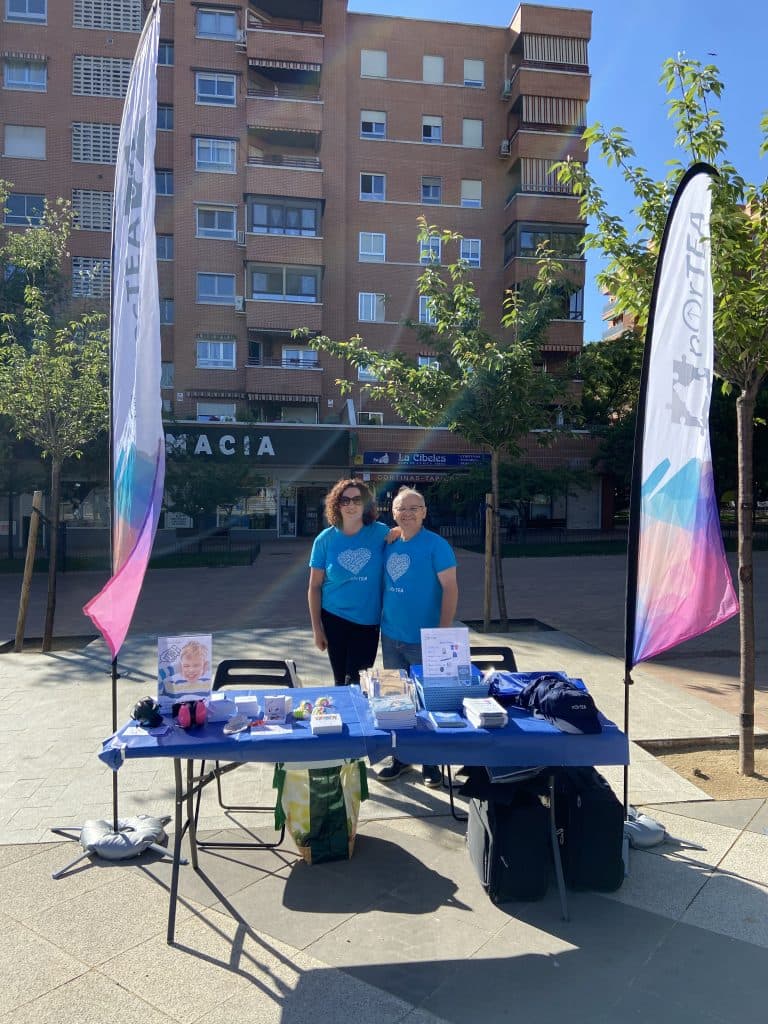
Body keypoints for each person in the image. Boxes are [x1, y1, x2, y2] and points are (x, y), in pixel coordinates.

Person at [376, 486, 459, 787]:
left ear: (424, 512)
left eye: (414, 508)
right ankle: (402, 757)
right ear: (393, 512)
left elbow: (450, 588)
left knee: (428, 700)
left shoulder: (437, 546)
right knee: (397, 700)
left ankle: (431, 763)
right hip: (391, 635)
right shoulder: (389, 543)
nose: (408, 513)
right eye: (402, 508)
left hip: (425, 638)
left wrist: (442, 631)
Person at [308, 479, 393, 686]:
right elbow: (314, 587)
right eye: (345, 500)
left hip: (368, 621)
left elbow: (406, 537)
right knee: (341, 681)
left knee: (359, 682)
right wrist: (317, 629)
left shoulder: (381, 533)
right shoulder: (324, 539)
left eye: (357, 499)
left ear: (366, 504)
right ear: (336, 504)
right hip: (334, 618)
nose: (351, 505)